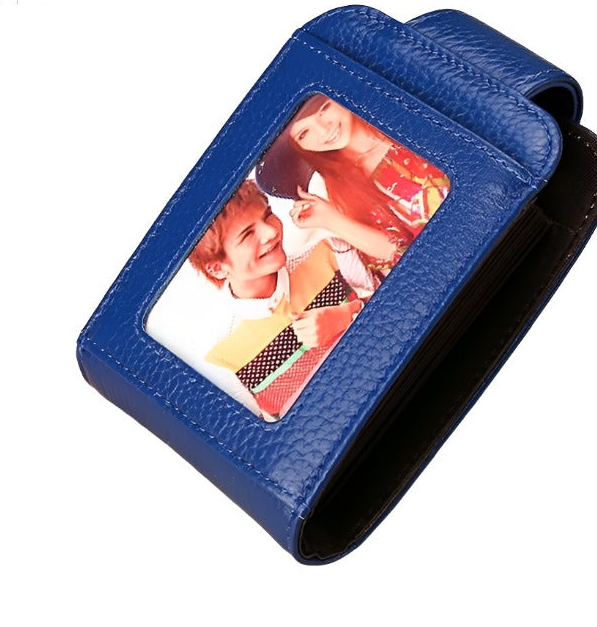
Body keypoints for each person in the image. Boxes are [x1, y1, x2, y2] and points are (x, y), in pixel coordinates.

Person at [186, 179, 369, 421]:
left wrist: (349, 315)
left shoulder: (329, 250)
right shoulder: (222, 357)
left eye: (268, 215)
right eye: (247, 234)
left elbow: (398, 307)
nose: (271, 232)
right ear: (218, 268)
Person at [286, 94, 450, 274]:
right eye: (304, 133)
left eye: (323, 109)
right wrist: (331, 220)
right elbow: (401, 257)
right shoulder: (345, 191)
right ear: (299, 147)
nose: (324, 130)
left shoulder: (401, 113)